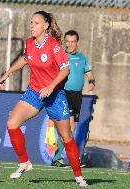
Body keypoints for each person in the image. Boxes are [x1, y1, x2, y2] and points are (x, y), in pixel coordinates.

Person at [0, 11, 88, 187]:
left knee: (66, 137)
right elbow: (25, 58)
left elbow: (65, 70)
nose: (32, 25)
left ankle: (78, 176)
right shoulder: (29, 43)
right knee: (12, 123)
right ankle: (24, 163)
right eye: (31, 22)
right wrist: (8, 73)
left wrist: (51, 86)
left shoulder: (54, 46)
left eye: (36, 23)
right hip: (34, 93)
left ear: (46, 26)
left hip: (54, 95)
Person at [51, 30, 95, 168]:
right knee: (69, 126)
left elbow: (88, 72)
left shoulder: (82, 58)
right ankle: (63, 158)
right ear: (65, 42)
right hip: (64, 94)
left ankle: (59, 158)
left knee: (72, 128)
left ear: (77, 42)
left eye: (73, 42)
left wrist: (92, 81)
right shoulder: (61, 56)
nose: (70, 44)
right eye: (67, 41)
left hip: (77, 96)